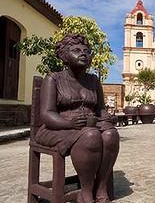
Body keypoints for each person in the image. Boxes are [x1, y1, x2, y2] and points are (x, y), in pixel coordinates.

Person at [35, 34, 119, 203]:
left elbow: (100, 110)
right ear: (64, 55)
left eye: (87, 51)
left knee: (111, 135)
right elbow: (46, 114)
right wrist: (69, 123)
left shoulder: (93, 80)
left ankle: (101, 187)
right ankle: (86, 192)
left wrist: (108, 119)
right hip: (57, 127)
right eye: (76, 50)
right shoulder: (54, 79)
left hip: (88, 126)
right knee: (91, 136)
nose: (83, 54)